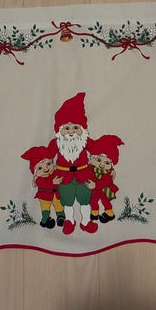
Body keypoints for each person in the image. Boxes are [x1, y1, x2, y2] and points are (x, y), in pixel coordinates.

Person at [47, 93, 99, 235]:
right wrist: (51, 178)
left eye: (75, 128)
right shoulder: (56, 143)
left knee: (85, 201)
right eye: (66, 128)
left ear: (82, 129)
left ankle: (86, 222)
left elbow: (97, 149)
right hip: (63, 177)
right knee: (67, 202)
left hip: (84, 175)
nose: (71, 132)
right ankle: (69, 221)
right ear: (60, 130)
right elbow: (46, 156)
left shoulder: (85, 141)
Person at [21, 146, 65, 229]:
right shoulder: (38, 178)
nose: (46, 168)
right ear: (35, 171)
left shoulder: (54, 172)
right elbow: (43, 184)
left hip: (55, 193)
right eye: (40, 168)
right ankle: (45, 220)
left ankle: (61, 216)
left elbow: (61, 174)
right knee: (45, 208)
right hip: (44, 195)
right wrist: (53, 182)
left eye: (48, 164)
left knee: (59, 205)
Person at [88, 135, 124, 223]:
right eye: (99, 160)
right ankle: (94, 212)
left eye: (106, 163)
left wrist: (95, 185)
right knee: (93, 201)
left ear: (111, 164)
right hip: (95, 190)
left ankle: (109, 213)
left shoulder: (108, 173)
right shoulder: (91, 168)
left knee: (106, 201)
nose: (102, 164)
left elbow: (106, 182)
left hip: (105, 190)